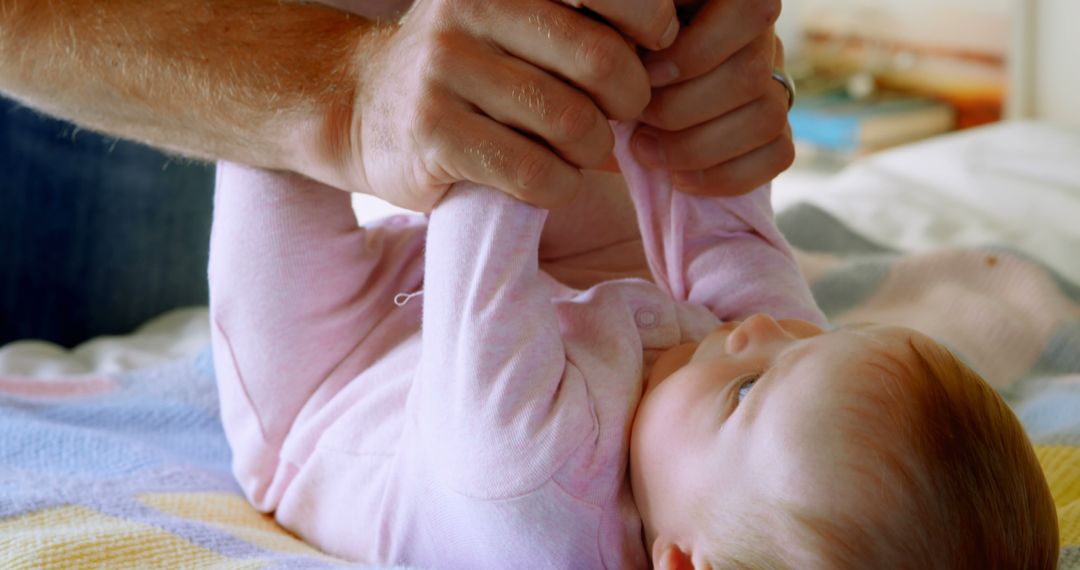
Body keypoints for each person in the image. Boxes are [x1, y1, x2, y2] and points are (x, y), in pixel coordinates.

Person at [208, 115, 1058, 567]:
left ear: (684, 567)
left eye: (749, 389)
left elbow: (481, 206)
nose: (758, 332)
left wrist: (531, 74)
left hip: (329, 387)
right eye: (815, 344)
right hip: (563, 297)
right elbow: (725, 226)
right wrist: (700, 93)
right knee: (626, 103)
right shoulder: (767, 434)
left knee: (276, 123)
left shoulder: (523, 481)